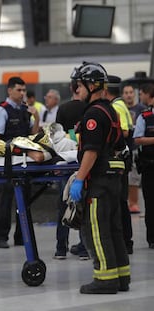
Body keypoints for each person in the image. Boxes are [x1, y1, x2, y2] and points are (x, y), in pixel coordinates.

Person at [69, 61, 130, 294]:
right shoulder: (110, 110)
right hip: (113, 180)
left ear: (92, 86)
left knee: (96, 230)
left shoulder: (94, 114)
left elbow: (91, 151)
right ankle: (122, 277)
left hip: (99, 182)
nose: (77, 91)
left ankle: (105, 279)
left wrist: (78, 179)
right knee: (114, 230)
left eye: (79, 86)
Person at [0, 76, 39, 249]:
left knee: (25, 199)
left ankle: (21, 236)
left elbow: (33, 135)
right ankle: (1, 236)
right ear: (9, 91)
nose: (22, 93)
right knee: (7, 198)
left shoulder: (26, 111)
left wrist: (36, 117)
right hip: (10, 161)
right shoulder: (2, 111)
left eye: (24, 90)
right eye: (19, 90)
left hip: (25, 162)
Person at [53, 81, 89, 260]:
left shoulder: (63, 109)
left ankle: (61, 248)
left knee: (63, 204)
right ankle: (84, 247)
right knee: (83, 203)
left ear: (70, 89)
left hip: (66, 163)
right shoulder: (90, 109)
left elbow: (56, 138)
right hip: (84, 162)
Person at [105, 75, 134, 255]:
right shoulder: (120, 104)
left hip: (120, 159)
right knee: (121, 201)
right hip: (124, 158)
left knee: (120, 202)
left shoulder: (116, 106)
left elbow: (123, 131)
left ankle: (125, 241)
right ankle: (126, 240)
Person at [133, 82, 154, 249]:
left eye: (141, 94)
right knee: (150, 203)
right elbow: (137, 139)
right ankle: (152, 238)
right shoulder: (144, 117)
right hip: (149, 167)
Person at [122, 83, 145, 214]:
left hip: (136, 146)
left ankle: (134, 203)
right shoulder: (121, 108)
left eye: (131, 92)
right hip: (125, 147)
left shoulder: (141, 109)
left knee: (134, 177)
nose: (129, 95)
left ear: (134, 94)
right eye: (126, 92)